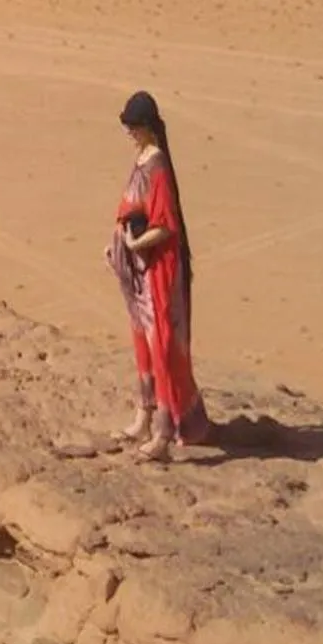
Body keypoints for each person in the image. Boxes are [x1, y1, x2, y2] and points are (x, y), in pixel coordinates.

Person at [106, 90, 211, 461]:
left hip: (158, 270)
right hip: (139, 269)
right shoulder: (143, 159)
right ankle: (143, 415)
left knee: (162, 346)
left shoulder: (158, 167)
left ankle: (165, 429)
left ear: (148, 127)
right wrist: (118, 244)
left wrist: (136, 246)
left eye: (134, 127)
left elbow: (165, 226)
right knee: (142, 341)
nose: (129, 133)